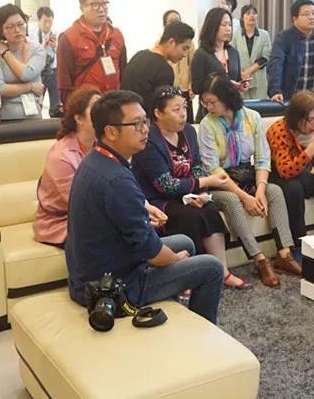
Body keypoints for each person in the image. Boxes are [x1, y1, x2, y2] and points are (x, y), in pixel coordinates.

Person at [65, 90, 224, 323]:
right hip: (113, 285)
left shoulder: (96, 159)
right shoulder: (117, 179)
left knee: (186, 242)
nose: (145, 129)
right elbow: (152, 252)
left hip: (97, 269)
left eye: (145, 121)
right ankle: (201, 334)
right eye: (137, 124)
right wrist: (175, 260)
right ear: (111, 132)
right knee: (211, 268)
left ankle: (178, 315)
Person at [133, 86, 251, 289]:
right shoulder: (149, 140)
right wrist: (206, 182)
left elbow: (196, 167)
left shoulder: (188, 131)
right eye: (176, 109)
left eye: (184, 108)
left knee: (209, 209)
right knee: (190, 216)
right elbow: (165, 185)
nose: (183, 114)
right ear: (158, 113)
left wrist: (200, 194)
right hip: (158, 200)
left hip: (187, 193)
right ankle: (187, 277)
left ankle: (222, 271)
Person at [198, 74, 302, 287]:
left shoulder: (252, 117)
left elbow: (263, 158)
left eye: (212, 102)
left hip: (246, 175)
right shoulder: (207, 125)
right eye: (204, 102)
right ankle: (260, 259)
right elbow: (213, 169)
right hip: (219, 182)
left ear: (226, 97)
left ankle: (284, 254)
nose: (208, 107)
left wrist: (260, 191)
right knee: (232, 200)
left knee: (274, 191)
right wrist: (245, 197)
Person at [266, 91, 314, 237]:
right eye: (312, 120)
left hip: (301, 173)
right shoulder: (278, 130)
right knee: (294, 189)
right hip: (277, 174)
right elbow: (285, 170)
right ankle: (299, 242)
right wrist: (310, 150)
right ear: (297, 117)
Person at [33, 87, 101, 246]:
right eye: (95, 108)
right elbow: (79, 203)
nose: (102, 112)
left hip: (91, 216)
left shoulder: (102, 146)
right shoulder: (61, 155)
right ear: (79, 118)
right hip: (59, 225)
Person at [56, 0, 127, 104]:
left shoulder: (116, 34)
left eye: (104, 3)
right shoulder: (68, 38)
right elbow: (64, 83)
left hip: (113, 104)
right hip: (86, 106)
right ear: (82, 8)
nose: (101, 9)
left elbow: (124, 72)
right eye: (95, 4)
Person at [0, 3, 47, 121]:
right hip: (6, 118)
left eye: (20, 24)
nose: (17, 30)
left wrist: (6, 54)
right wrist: (30, 87)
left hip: (34, 117)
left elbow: (26, 74)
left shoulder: (37, 50)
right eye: (10, 26)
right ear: (1, 30)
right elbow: (0, 89)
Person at [121, 21, 195, 108]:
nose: (184, 54)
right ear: (171, 42)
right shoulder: (164, 70)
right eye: (184, 48)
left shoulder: (138, 55)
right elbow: (162, 109)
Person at [191, 7, 245, 122]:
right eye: (224, 25)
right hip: (209, 113)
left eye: (230, 24)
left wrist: (240, 85)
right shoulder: (201, 54)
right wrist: (223, 84)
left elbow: (237, 78)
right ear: (213, 26)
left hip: (232, 112)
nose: (228, 29)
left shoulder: (233, 52)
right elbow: (196, 87)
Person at [232, 4, 272, 99]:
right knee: (243, 105)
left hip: (259, 78)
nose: (252, 16)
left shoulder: (264, 35)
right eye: (248, 13)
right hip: (241, 78)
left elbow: (265, 57)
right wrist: (241, 73)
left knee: (260, 105)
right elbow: (232, 55)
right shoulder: (236, 35)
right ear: (242, 17)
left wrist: (248, 71)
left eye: (254, 13)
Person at [162, 10, 195, 120]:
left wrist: (191, 85)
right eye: (171, 21)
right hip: (170, 87)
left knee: (186, 118)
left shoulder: (189, 42)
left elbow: (192, 64)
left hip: (185, 87)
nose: (175, 23)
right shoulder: (161, 43)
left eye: (177, 20)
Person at [36, 6, 62, 117]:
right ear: (38, 21)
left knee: (56, 105)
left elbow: (62, 55)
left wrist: (56, 46)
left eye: (50, 21)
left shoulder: (58, 34)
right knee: (37, 104)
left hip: (53, 72)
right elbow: (32, 54)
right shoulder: (32, 35)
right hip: (39, 73)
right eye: (45, 21)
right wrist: (43, 45)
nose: (47, 25)